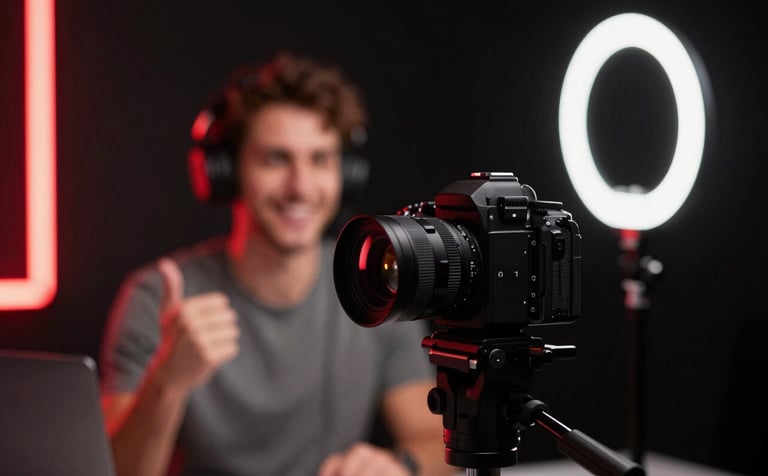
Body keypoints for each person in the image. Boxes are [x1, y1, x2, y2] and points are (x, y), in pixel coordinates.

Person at [99, 52, 453, 476]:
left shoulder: (377, 283)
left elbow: (437, 442)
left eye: (320, 159)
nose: (301, 187)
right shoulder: (157, 295)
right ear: (227, 172)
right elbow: (114, 472)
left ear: (347, 174)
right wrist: (165, 382)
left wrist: (400, 468)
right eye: (276, 159)